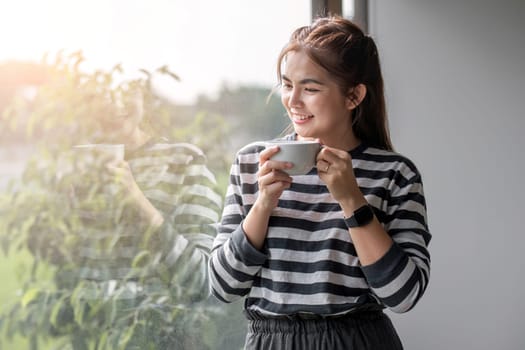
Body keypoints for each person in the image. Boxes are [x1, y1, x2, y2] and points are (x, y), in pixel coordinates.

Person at [209, 15, 431, 350]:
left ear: (354, 96)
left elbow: (403, 294)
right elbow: (223, 286)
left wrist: (352, 200)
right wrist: (264, 204)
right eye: (287, 85)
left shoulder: (395, 174)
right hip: (270, 341)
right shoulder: (252, 163)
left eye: (310, 88)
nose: (292, 101)